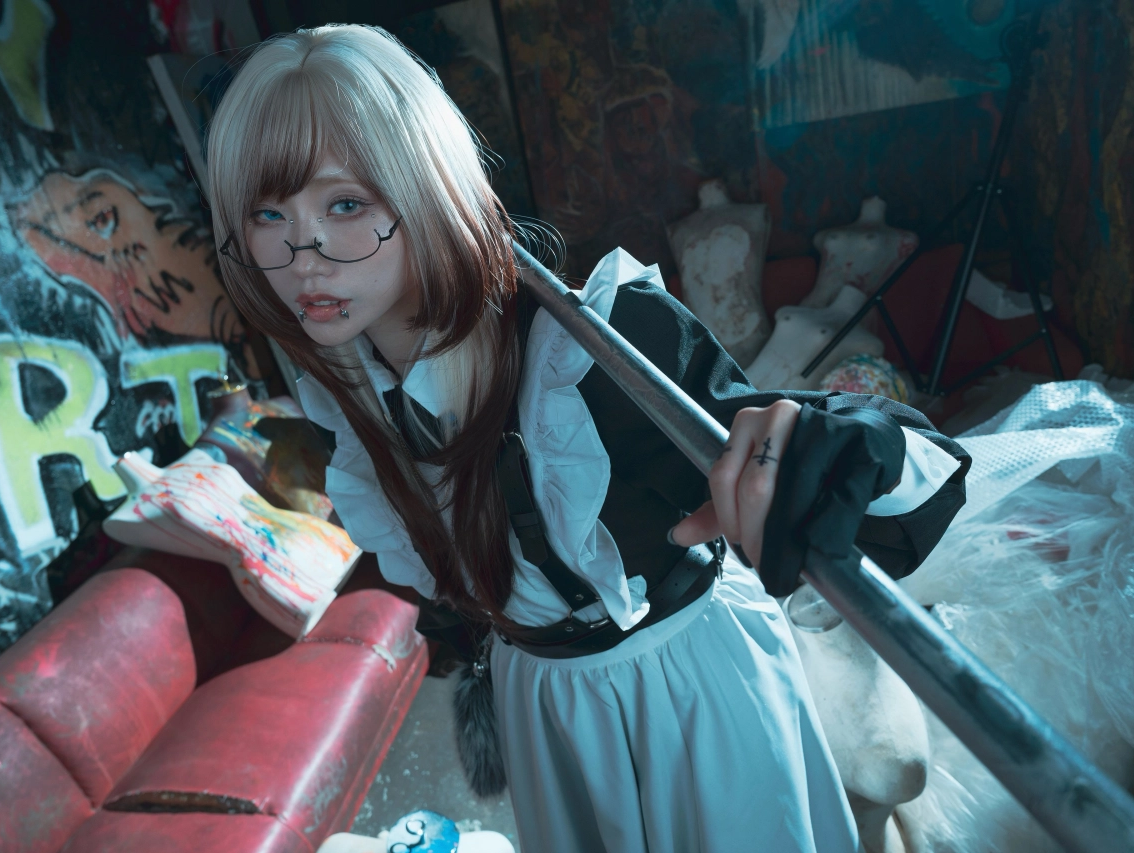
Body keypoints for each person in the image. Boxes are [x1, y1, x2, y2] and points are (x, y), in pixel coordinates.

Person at [206, 24, 969, 853]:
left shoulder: (592, 349)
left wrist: (829, 449)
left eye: (345, 205)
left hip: (690, 698)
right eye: (268, 214)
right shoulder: (344, 384)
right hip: (543, 707)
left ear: (421, 188)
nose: (304, 256)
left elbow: (854, 467)